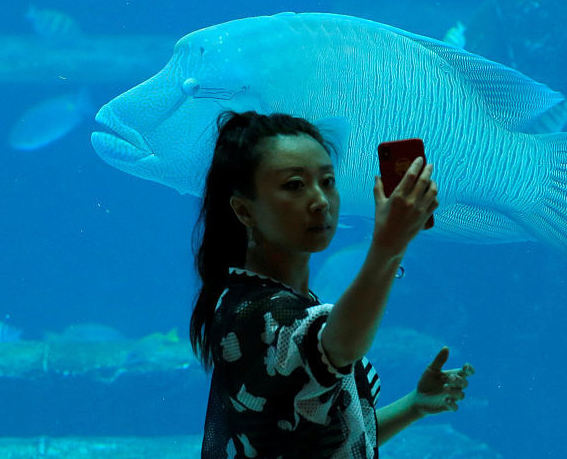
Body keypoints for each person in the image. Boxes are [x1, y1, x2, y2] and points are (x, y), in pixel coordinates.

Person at [190, 110, 475, 458]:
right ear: (244, 211)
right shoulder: (253, 312)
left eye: (327, 181)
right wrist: (388, 245)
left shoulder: (280, 300)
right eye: (294, 185)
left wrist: (414, 406)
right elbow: (337, 349)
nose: (320, 200)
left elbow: (328, 438)